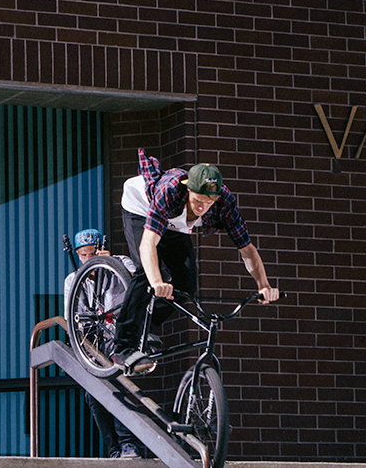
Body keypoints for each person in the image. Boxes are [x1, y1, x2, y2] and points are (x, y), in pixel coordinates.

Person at [115, 149, 280, 374]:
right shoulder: (170, 191)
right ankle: (122, 347)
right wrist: (157, 282)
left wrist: (263, 285)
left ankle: (144, 327)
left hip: (176, 224)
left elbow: (247, 249)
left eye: (209, 202)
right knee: (147, 273)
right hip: (140, 208)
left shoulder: (224, 202)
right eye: (197, 200)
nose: (202, 208)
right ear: (188, 189)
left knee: (186, 285)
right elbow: (147, 244)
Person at [63, 228, 142, 459]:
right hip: (93, 341)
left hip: (120, 336)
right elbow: (72, 317)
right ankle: (114, 448)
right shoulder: (73, 280)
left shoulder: (120, 262)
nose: (89, 259)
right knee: (93, 394)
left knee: (117, 386)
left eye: (93, 253)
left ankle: (128, 443)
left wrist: (111, 264)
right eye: (84, 255)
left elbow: (139, 281)